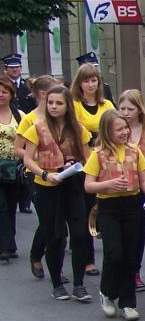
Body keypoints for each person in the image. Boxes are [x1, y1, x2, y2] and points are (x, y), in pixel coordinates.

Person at [20, 86, 92, 301]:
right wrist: (44, 174)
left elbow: (88, 158)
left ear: (67, 106)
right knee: (55, 235)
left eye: (59, 103)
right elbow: (28, 159)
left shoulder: (78, 129)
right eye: (50, 102)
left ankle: (79, 284)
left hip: (72, 184)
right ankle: (57, 284)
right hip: (47, 186)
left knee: (79, 234)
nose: (53, 106)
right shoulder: (37, 128)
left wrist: (75, 164)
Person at [82, 110, 145, 320]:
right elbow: (88, 185)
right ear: (107, 131)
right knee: (114, 252)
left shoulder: (135, 151)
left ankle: (128, 302)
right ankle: (107, 292)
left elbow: (144, 181)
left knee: (131, 254)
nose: (124, 132)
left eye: (125, 128)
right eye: (118, 129)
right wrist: (108, 184)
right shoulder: (97, 154)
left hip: (132, 204)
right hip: (108, 206)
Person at [70, 62, 115, 277]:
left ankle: (112, 257)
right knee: (86, 211)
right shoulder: (75, 105)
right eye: (86, 81)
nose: (90, 84)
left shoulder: (107, 104)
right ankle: (88, 260)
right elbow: (75, 134)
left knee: (104, 210)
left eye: (93, 80)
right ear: (79, 84)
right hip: (84, 161)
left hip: (107, 161)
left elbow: (115, 127)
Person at [13, 76, 58, 276]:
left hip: (59, 173)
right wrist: (38, 156)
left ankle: (55, 263)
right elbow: (18, 149)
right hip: (36, 174)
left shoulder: (62, 117)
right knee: (48, 220)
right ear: (43, 94)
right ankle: (37, 255)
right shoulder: (30, 119)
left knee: (59, 220)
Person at [117, 90, 145, 292]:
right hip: (121, 186)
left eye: (130, 109)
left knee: (139, 232)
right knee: (122, 234)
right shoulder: (116, 128)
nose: (125, 113)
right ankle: (122, 271)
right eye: (122, 108)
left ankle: (135, 271)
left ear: (139, 109)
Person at [0, 77, 23, 262]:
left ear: (11, 94)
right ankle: (5, 247)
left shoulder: (19, 115)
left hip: (13, 167)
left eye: (4, 92)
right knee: (1, 207)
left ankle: (10, 243)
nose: (1, 95)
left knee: (11, 205)